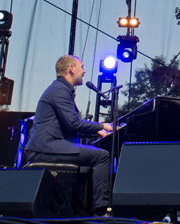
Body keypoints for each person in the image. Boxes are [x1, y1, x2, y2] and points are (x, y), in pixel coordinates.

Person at [24, 55, 113, 216]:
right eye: (82, 67)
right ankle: (102, 210)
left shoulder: (61, 89)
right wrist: (102, 126)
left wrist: (96, 131)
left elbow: (68, 124)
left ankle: (75, 206)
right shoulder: (59, 90)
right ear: (71, 69)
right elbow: (73, 123)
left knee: (86, 166)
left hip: (50, 146)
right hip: (45, 147)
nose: (84, 71)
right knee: (102, 156)